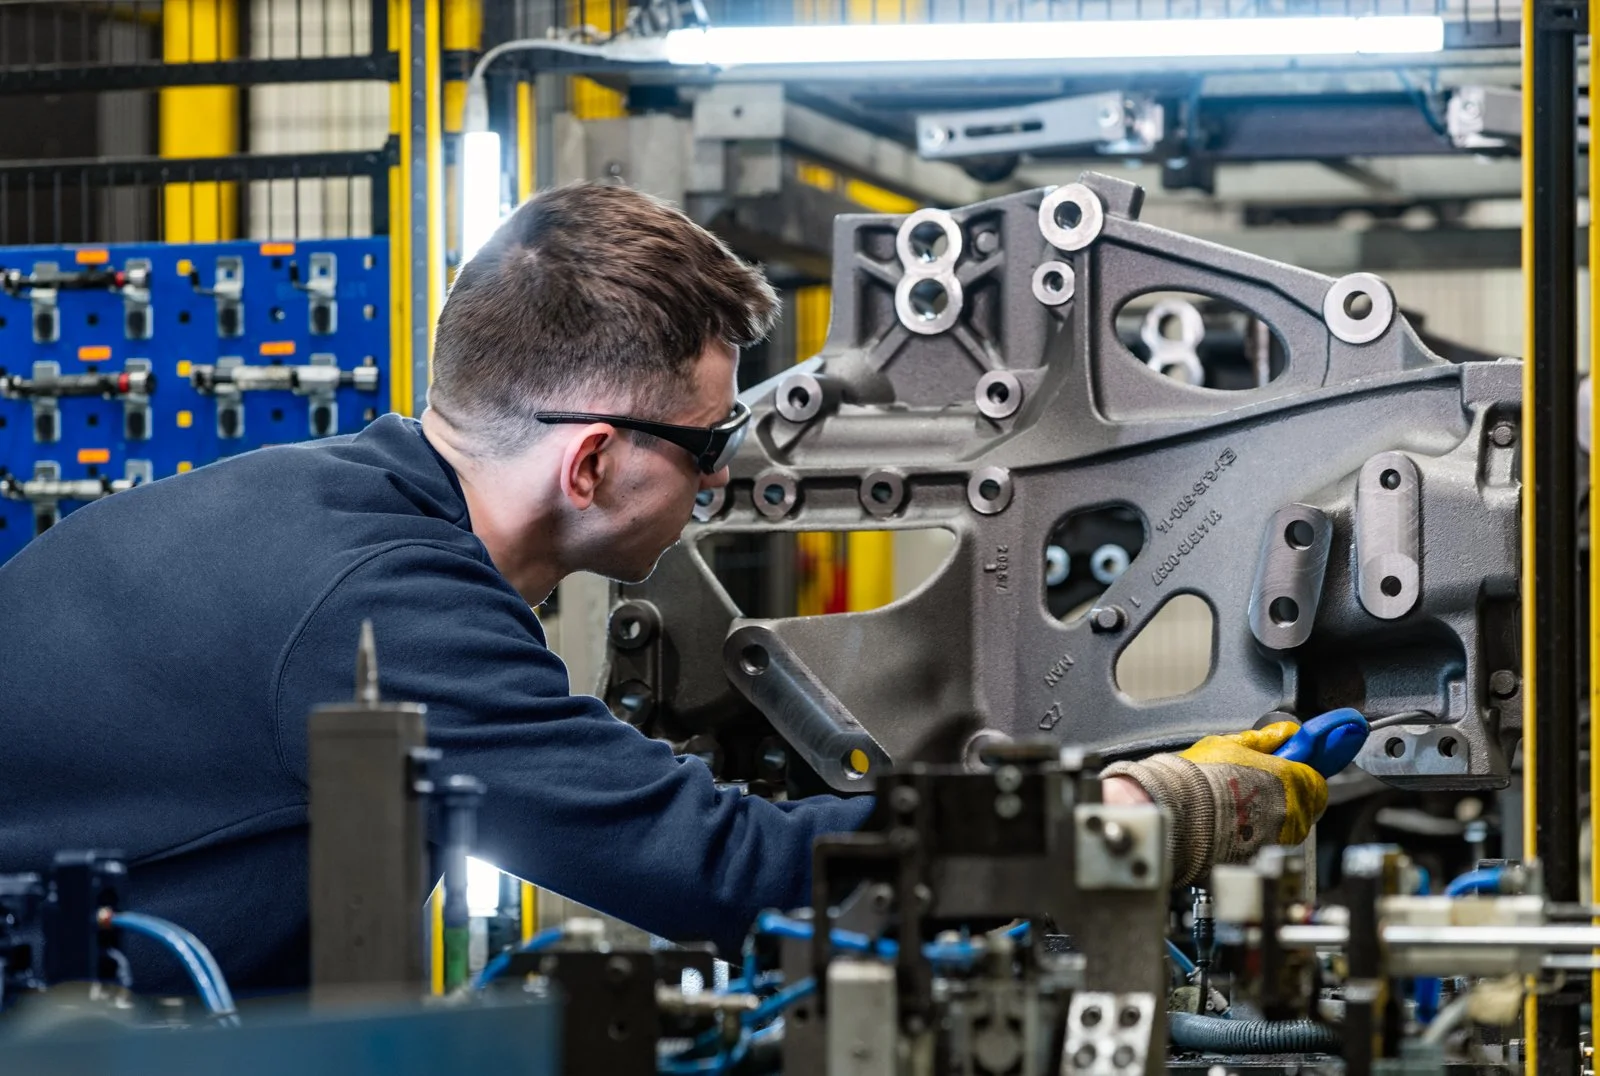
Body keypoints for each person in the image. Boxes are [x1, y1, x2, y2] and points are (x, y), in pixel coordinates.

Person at [0, 183, 1327, 996]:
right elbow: (717, 867)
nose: (720, 484)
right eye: (706, 449)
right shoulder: (382, 609)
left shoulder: (308, 502)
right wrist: (1131, 810)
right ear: (590, 460)